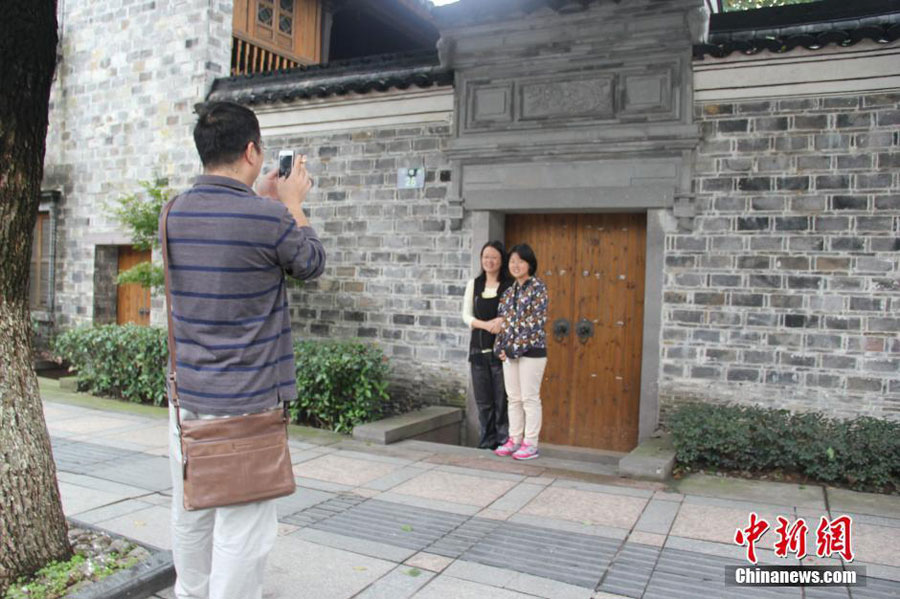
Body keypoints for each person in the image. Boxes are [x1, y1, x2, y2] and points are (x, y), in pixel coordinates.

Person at [161, 101, 325, 599]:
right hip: (249, 405)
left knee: (192, 510)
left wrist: (267, 202)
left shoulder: (173, 212)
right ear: (253, 151)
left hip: (186, 400)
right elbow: (312, 263)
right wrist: (291, 202)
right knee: (243, 531)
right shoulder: (270, 217)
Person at [493, 243, 548, 461]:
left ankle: (530, 443)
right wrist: (500, 349)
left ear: (530, 264)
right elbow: (502, 324)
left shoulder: (538, 289)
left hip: (532, 352)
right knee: (513, 398)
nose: (515, 265)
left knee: (529, 398)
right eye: (512, 261)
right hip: (509, 353)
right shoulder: (507, 293)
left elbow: (534, 325)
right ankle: (514, 439)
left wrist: (512, 349)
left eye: (520, 261)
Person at [462, 241, 514, 449]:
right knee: (483, 401)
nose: (489, 261)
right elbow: (466, 316)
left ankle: (503, 440)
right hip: (478, 351)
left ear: (501, 260)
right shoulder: (473, 284)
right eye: (485, 257)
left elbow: (514, 314)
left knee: (502, 399)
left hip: (501, 352)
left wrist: (502, 322)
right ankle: (486, 441)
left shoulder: (510, 286)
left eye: (494, 257)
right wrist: (486, 325)